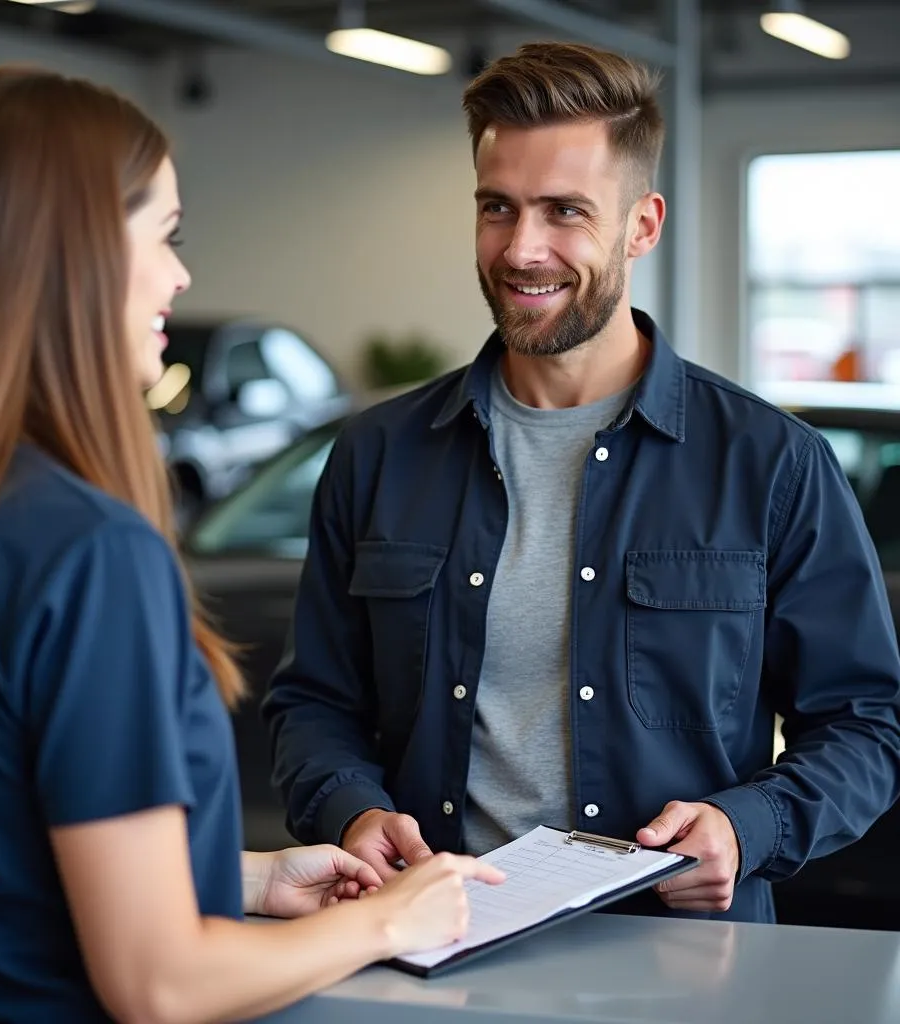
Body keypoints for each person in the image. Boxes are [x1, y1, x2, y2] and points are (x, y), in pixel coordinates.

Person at [0, 68, 505, 1024]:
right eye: (165, 237)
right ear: (73, 253)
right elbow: (161, 984)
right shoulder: (90, 554)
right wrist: (390, 922)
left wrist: (242, 880)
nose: (182, 276)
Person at [263, 41, 900, 924]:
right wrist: (351, 808)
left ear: (643, 225)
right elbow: (314, 703)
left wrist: (745, 827)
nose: (524, 249)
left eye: (566, 212)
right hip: (428, 944)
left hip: (681, 962)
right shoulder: (377, 454)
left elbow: (867, 725)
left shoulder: (771, 462)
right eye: (498, 208)